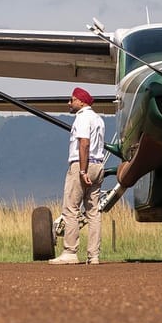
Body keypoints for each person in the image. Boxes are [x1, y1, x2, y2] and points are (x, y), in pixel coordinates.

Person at [48, 86, 106, 265]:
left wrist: (82, 170)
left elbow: (84, 143)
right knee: (93, 212)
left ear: (81, 101)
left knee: (71, 209)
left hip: (83, 165)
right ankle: (94, 254)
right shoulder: (98, 119)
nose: (69, 103)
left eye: (71, 100)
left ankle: (70, 251)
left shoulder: (82, 118)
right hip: (98, 165)